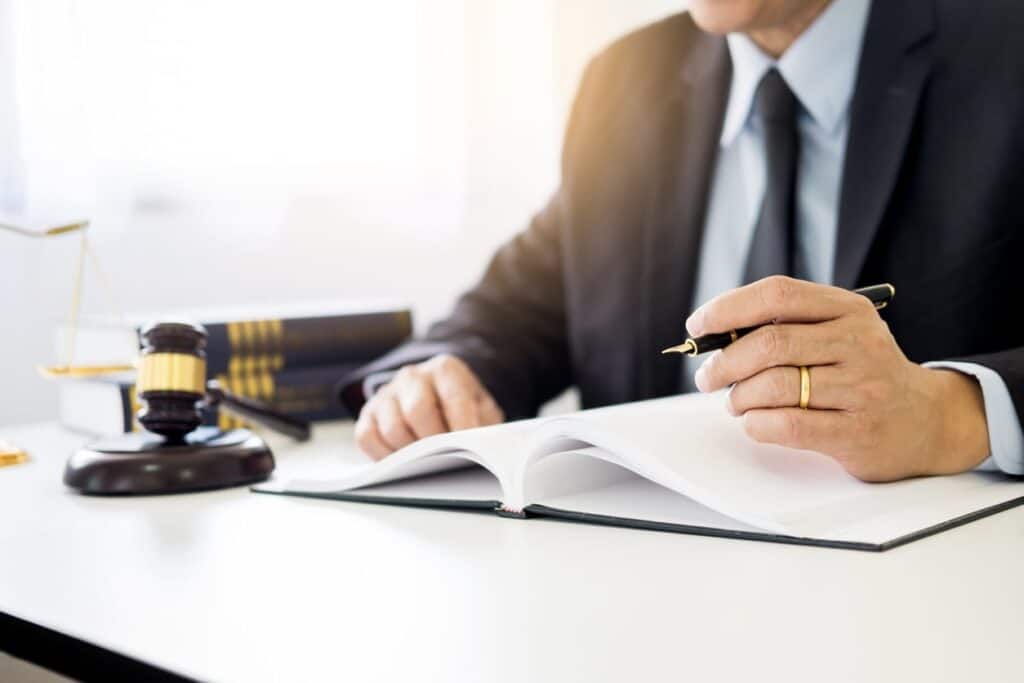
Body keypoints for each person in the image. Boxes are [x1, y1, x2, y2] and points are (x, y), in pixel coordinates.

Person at [342, 0, 1024, 483]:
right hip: (647, 594)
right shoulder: (625, 81)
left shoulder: (1005, 49)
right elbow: (516, 310)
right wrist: (436, 376)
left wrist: (953, 415)